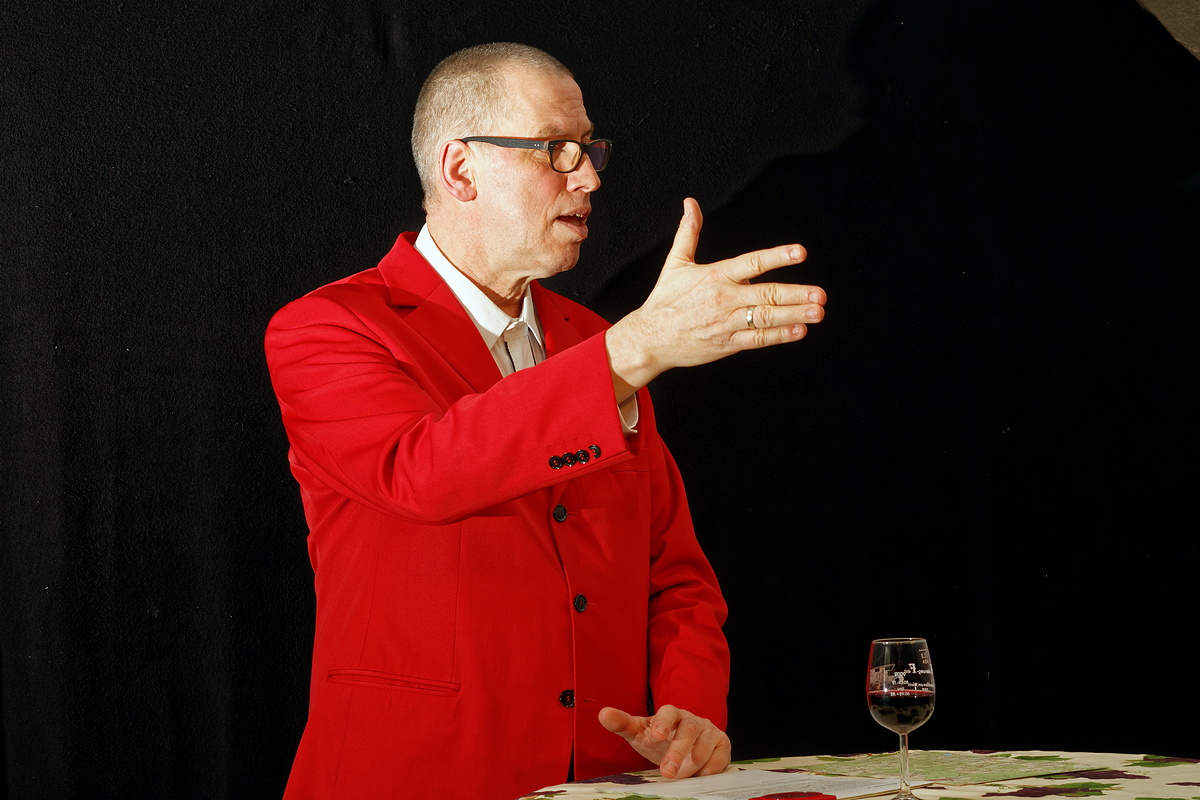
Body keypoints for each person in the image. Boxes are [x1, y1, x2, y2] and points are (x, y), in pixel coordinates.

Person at [264, 42, 826, 800]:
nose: (588, 175)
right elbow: (422, 472)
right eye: (556, 149)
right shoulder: (329, 327)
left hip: (604, 779)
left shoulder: (596, 343)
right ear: (461, 169)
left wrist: (690, 707)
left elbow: (675, 574)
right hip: (414, 774)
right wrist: (635, 348)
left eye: (590, 149)